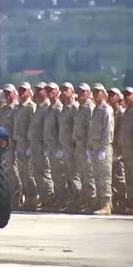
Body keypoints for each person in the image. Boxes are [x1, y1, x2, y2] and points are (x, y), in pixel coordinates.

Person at [88, 83, 115, 215]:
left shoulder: (106, 109)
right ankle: (102, 203)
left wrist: (104, 148)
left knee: (105, 177)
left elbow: (108, 130)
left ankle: (106, 204)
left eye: (98, 92)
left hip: (102, 148)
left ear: (103, 94)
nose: (95, 94)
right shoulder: (96, 109)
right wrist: (89, 146)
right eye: (94, 92)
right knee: (97, 176)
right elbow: (91, 130)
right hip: (95, 147)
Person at [27, 82, 54, 211]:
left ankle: (49, 199)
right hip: (35, 144)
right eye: (36, 90)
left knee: (44, 173)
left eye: (40, 90)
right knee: (37, 173)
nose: (37, 92)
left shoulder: (47, 107)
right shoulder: (39, 107)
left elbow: (48, 129)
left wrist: (45, 146)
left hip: (42, 144)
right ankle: (43, 199)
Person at [73, 83, 96, 213]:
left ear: (88, 93)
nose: (80, 95)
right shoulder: (80, 108)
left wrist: (89, 147)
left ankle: (92, 202)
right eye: (79, 92)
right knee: (82, 175)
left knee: (89, 175)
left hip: (87, 146)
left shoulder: (89, 108)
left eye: (83, 92)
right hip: (79, 146)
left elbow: (91, 129)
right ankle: (87, 201)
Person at [13, 82, 37, 211]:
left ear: (29, 92)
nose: (22, 93)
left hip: (28, 143)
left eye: (24, 90)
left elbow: (33, 126)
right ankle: (27, 198)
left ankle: (32, 199)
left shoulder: (31, 107)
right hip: (20, 143)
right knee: (22, 173)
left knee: (29, 173)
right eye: (20, 90)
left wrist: (30, 145)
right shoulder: (19, 107)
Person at [59, 82, 81, 212]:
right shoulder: (64, 108)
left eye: (66, 90)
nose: (63, 92)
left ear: (72, 92)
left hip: (73, 146)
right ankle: (72, 200)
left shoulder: (75, 108)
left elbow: (77, 128)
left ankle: (78, 201)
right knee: (68, 174)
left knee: (74, 175)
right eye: (62, 90)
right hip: (65, 146)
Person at [0, 84, 21, 208]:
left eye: (9, 93)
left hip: (13, 144)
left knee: (14, 171)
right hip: (4, 145)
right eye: (5, 93)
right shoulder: (4, 109)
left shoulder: (17, 109)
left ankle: (18, 196)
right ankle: (12, 196)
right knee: (7, 171)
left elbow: (17, 128)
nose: (7, 95)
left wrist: (17, 145)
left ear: (14, 93)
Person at [44, 82, 65, 211]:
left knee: (60, 175)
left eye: (52, 90)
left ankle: (62, 200)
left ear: (57, 92)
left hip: (58, 145)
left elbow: (61, 128)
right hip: (50, 145)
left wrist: (60, 147)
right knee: (54, 175)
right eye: (48, 90)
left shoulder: (59, 108)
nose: (49, 92)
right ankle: (56, 200)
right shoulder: (49, 108)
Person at [107, 87, 127, 213]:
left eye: (113, 95)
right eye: (109, 95)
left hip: (119, 149)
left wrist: (119, 150)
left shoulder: (121, 114)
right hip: (112, 149)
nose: (110, 97)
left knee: (120, 176)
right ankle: (116, 202)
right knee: (112, 176)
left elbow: (121, 133)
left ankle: (123, 200)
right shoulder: (111, 112)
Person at [119, 87, 133, 213]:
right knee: (129, 179)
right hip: (127, 152)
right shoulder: (127, 111)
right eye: (125, 95)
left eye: (129, 94)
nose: (126, 97)